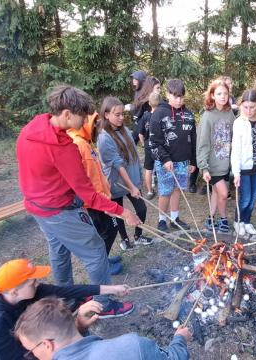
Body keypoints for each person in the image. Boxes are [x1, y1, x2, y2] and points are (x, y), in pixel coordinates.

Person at [16, 85, 138, 317]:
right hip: (58, 211)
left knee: (59, 251)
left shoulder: (32, 127)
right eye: (82, 116)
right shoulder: (63, 149)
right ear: (67, 114)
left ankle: (66, 299)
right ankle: (104, 304)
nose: (84, 122)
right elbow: (89, 195)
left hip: (36, 207)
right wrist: (123, 213)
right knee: (95, 252)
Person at [0, 259, 130, 360]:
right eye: (33, 282)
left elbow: (68, 291)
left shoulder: (26, 292)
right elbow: (16, 357)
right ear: (14, 292)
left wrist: (112, 289)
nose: (38, 284)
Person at [14, 297, 191, 360]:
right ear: (46, 344)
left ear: (47, 345)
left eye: (31, 352)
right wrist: (180, 339)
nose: (33, 356)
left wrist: (80, 329)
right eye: (31, 353)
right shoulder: (133, 346)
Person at [67, 112, 123, 275]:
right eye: (94, 124)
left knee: (104, 232)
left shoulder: (82, 141)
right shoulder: (81, 144)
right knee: (108, 231)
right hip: (96, 202)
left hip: (96, 199)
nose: (97, 128)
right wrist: (102, 195)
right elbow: (90, 175)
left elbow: (95, 172)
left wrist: (106, 183)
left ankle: (104, 259)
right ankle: (103, 264)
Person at [97, 97, 153, 250]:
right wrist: (132, 187)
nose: (121, 117)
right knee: (119, 212)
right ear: (106, 114)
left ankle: (138, 235)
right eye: (117, 114)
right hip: (116, 182)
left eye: (122, 114)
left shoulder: (125, 130)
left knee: (142, 208)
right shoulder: (104, 138)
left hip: (131, 180)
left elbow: (133, 157)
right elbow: (118, 165)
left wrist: (138, 179)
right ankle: (125, 239)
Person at [149, 79, 197, 232]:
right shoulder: (159, 113)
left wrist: (193, 161)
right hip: (165, 162)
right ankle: (162, 220)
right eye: (175, 96)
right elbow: (154, 142)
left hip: (183, 162)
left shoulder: (188, 115)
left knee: (178, 190)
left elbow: (193, 139)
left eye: (181, 97)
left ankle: (174, 219)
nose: (178, 100)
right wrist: (165, 159)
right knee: (165, 191)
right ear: (167, 94)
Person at [197, 79, 235, 233]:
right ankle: (223, 218)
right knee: (224, 194)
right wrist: (204, 167)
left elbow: (233, 136)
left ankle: (211, 218)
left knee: (216, 193)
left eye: (225, 93)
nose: (223, 96)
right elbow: (203, 143)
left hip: (225, 163)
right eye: (219, 93)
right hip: (212, 165)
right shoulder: (208, 116)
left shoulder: (230, 113)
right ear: (212, 95)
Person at [231, 90, 256, 237]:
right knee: (245, 197)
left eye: (252, 107)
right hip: (244, 167)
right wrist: (236, 172)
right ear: (241, 106)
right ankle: (238, 221)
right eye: (245, 107)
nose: (248, 111)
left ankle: (247, 222)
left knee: (253, 198)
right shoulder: (239, 123)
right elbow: (235, 150)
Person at [139, 92, 162, 200]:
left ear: (149, 103)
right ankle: (163, 189)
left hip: (148, 144)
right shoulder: (161, 116)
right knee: (161, 167)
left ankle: (149, 191)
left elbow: (140, 133)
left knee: (148, 169)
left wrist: (144, 144)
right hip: (160, 145)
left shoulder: (145, 115)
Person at [132, 76, 161, 145]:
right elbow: (137, 119)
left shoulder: (160, 102)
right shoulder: (143, 103)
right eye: (157, 88)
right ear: (150, 88)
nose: (160, 90)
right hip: (141, 131)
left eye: (160, 88)